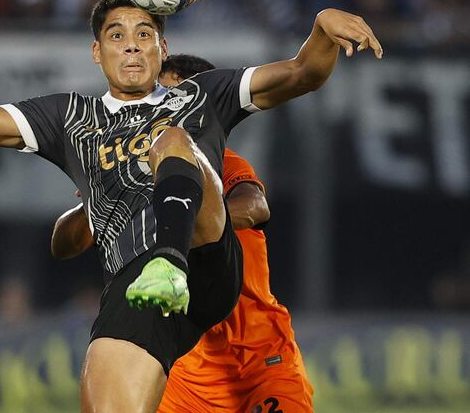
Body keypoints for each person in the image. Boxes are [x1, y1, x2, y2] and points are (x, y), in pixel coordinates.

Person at [0, 0, 381, 412]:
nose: (132, 47)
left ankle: (170, 259)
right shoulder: (70, 118)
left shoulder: (200, 97)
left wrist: (321, 30)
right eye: (117, 36)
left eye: (145, 35)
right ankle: (160, 270)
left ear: (163, 47)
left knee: (172, 140)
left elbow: (299, 74)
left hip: (204, 265)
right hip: (136, 287)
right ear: (97, 52)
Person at [52, 54, 315, 412]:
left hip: (257, 360)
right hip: (185, 375)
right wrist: (99, 198)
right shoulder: (129, 176)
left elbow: (256, 206)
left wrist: (184, 218)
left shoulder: (219, 163)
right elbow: (63, 243)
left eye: (168, 96)